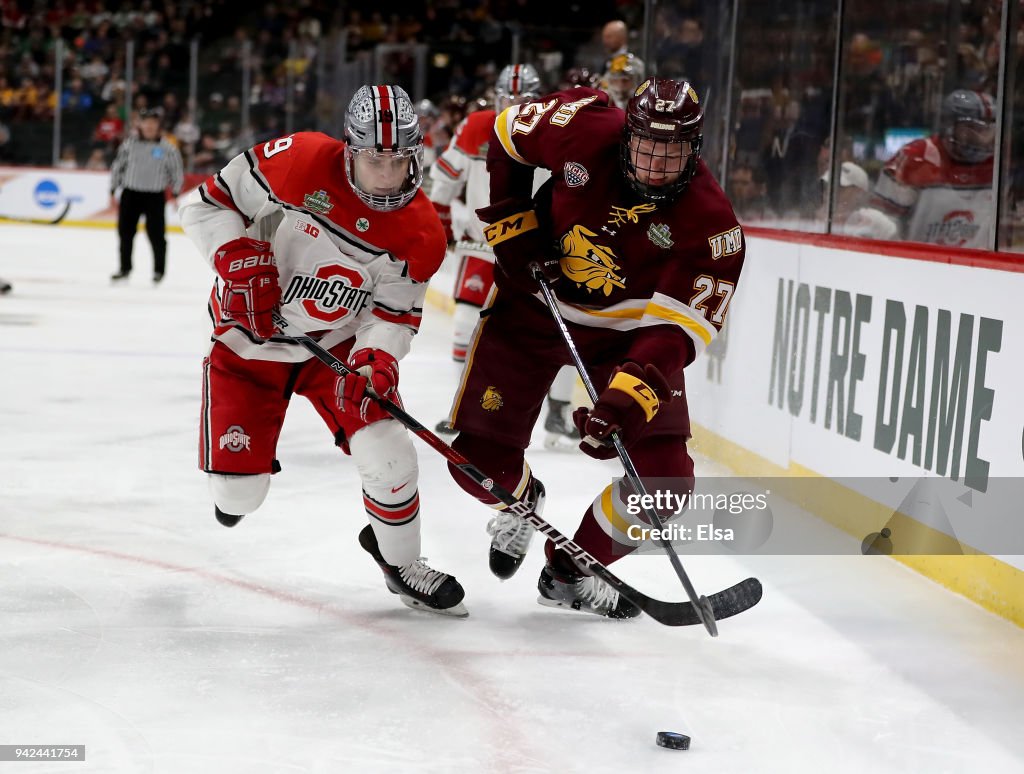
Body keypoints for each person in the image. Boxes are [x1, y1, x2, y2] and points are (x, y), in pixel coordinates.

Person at [446, 77, 745, 617]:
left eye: (671, 153)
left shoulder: (713, 227)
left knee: (664, 484)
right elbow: (505, 135)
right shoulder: (582, 128)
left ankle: (570, 570)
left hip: (628, 338)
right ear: (627, 133)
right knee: (474, 463)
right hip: (533, 307)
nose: (654, 167)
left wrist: (622, 403)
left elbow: (674, 334)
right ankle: (523, 498)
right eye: (646, 148)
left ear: (694, 150)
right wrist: (515, 226)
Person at [178, 84, 466, 617]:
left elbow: (393, 315)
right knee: (238, 497)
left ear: (415, 155)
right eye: (374, 160)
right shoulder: (301, 159)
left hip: (334, 346)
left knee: (387, 446)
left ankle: (399, 561)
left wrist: (377, 358)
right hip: (248, 337)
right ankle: (240, 477)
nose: (386, 175)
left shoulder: (422, 231)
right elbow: (204, 206)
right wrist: (234, 256)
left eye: (398, 161)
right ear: (349, 149)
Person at [428, 64, 581, 450]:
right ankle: (463, 408)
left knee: (561, 333)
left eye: (521, 99)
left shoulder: (554, 126)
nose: (512, 105)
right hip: (485, 244)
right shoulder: (479, 125)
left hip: (541, 252)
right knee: (465, 325)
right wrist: (440, 221)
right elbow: (445, 178)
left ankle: (558, 411)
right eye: (506, 98)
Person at [849, 89, 995, 247]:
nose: (980, 139)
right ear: (949, 126)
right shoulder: (915, 158)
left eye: (987, 130)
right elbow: (881, 220)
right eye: (970, 129)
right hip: (918, 264)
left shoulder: (996, 165)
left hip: (974, 267)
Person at [109, 106, 184, 283]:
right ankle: (124, 269)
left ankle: (159, 271)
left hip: (155, 196)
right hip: (131, 194)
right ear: (140, 124)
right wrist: (112, 190)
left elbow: (176, 171)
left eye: (153, 122)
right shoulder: (129, 144)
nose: (149, 126)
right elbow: (118, 167)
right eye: (146, 122)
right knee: (125, 233)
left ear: (158, 125)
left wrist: (175, 192)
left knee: (157, 235)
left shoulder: (168, 148)